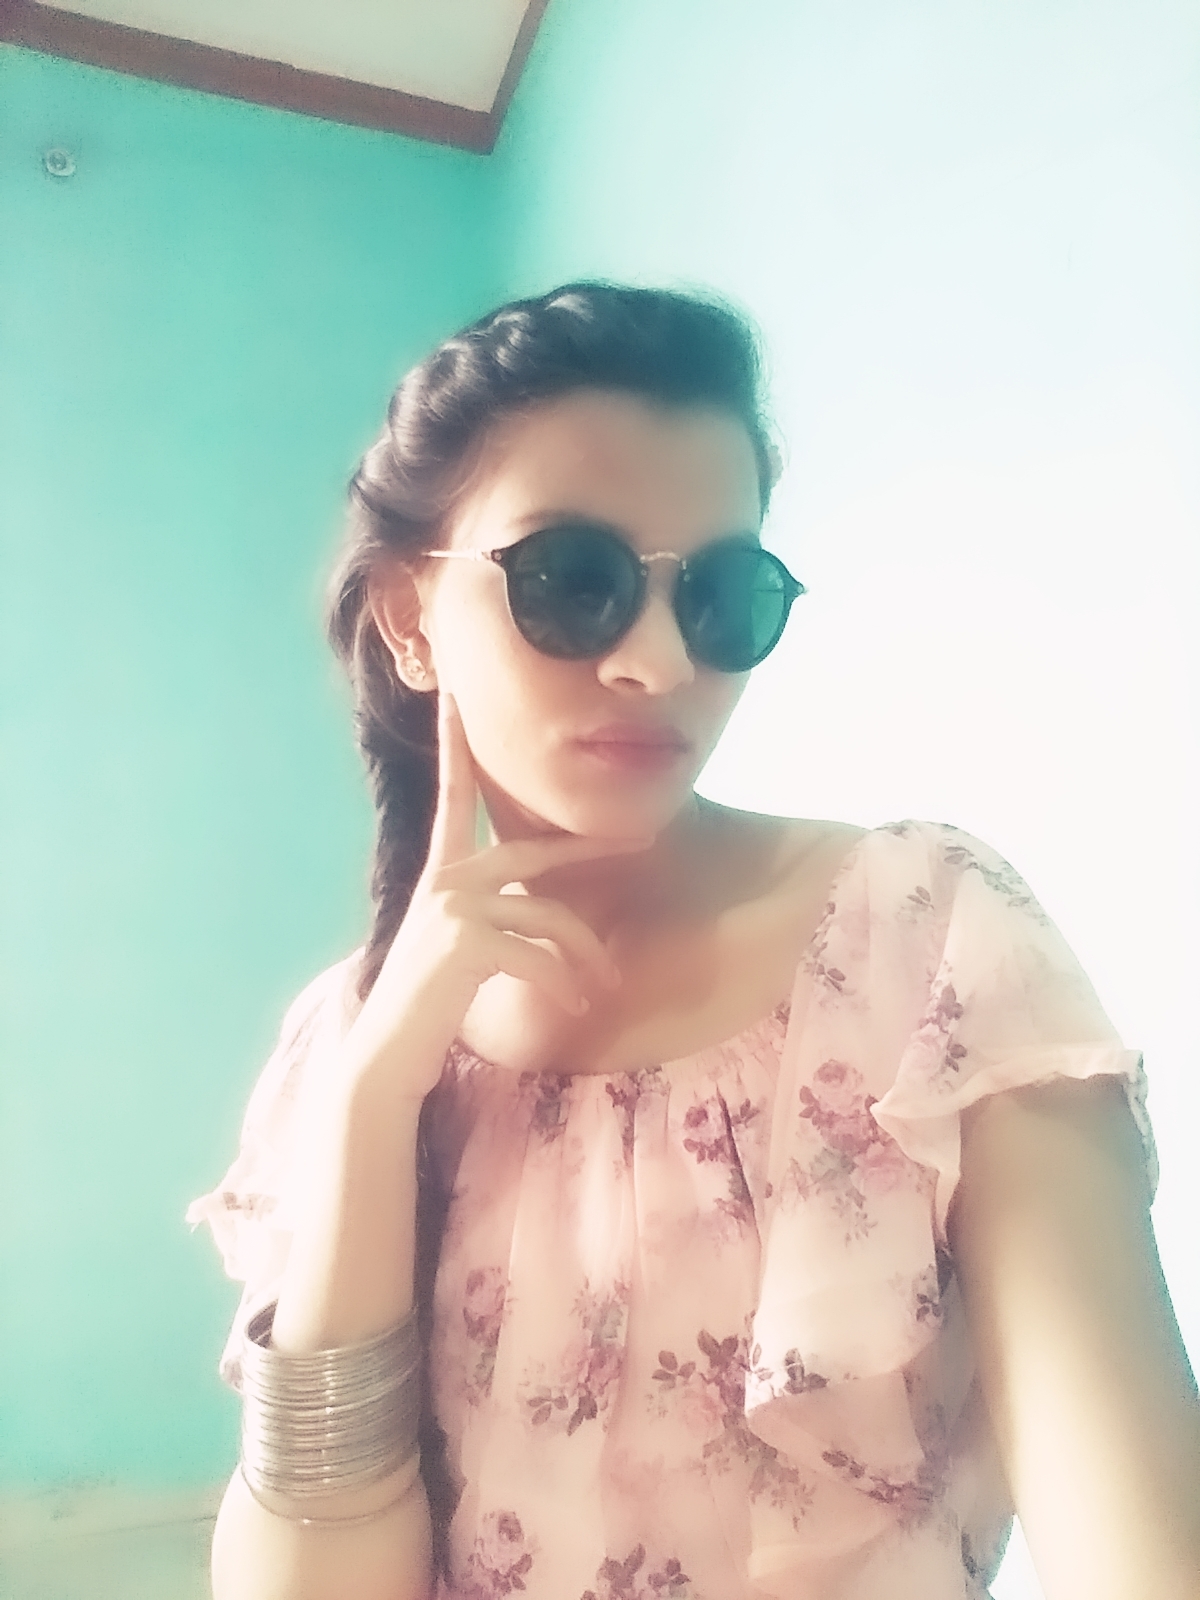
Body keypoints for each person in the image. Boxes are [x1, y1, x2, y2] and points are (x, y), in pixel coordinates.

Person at [187, 283, 1199, 1600]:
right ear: (409, 616)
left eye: (721, 594)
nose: (660, 665)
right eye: (573, 582)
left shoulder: (925, 938)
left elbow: (1141, 1542)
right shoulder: (344, 1044)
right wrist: (374, 1100)